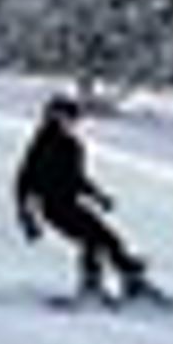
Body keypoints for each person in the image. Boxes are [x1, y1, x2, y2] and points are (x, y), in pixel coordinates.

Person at [13, 93, 150, 299]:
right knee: (92, 240)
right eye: (66, 117)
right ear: (53, 116)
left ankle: (132, 282)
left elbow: (77, 179)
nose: (72, 123)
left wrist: (98, 197)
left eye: (73, 119)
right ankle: (91, 286)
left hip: (70, 204)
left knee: (109, 239)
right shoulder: (42, 144)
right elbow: (24, 182)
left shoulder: (72, 146)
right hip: (54, 207)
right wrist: (27, 217)